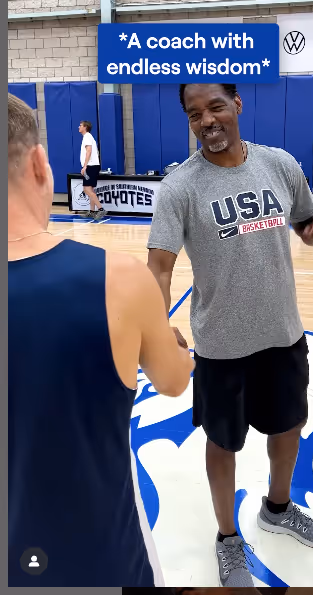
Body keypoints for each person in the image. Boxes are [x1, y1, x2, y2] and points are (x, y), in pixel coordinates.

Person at [147, 83, 313, 588]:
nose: (207, 120)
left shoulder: (279, 164)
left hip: (283, 334)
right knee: (223, 443)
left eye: (216, 107)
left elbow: (307, 227)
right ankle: (227, 538)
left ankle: (277, 509)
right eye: (195, 114)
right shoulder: (179, 188)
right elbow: (160, 266)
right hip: (221, 346)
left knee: (288, 429)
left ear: (237, 105)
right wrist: (155, 323)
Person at [7, 93, 193, 587]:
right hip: (99, 556)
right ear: (40, 164)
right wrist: (177, 351)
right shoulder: (120, 278)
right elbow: (173, 382)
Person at [79, 120, 106, 220]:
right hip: (93, 166)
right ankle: (92, 211)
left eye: (80, 125)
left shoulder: (87, 137)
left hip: (90, 166)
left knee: (86, 189)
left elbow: (89, 151)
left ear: (85, 127)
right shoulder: (89, 137)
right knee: (90, 189)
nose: (79, 127)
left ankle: (101, 209)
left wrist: (85, 166)